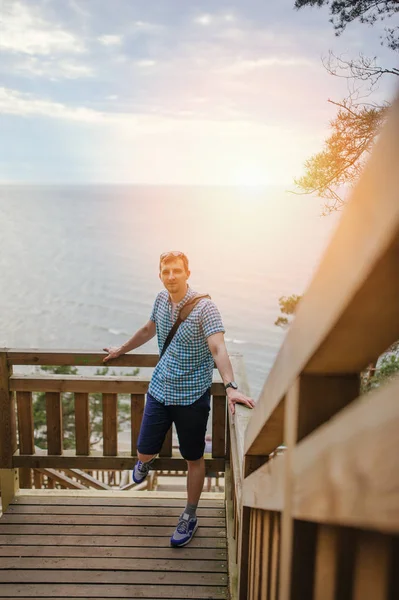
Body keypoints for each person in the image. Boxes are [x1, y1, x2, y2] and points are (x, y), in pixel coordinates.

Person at [103, 250, 254, 547]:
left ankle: (190, 514)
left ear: (187, 273)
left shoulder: (205, 308)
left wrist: (231, 386)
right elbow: (149, 329)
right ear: (160, 275)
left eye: (176, 271)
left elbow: (218, 348)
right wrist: (121, 349)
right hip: (160, 389)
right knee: (144, 451)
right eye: (166, 271)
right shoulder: (161, 299)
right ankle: (145, 464)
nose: (171, 276)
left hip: (191, 397)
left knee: (193, 458)